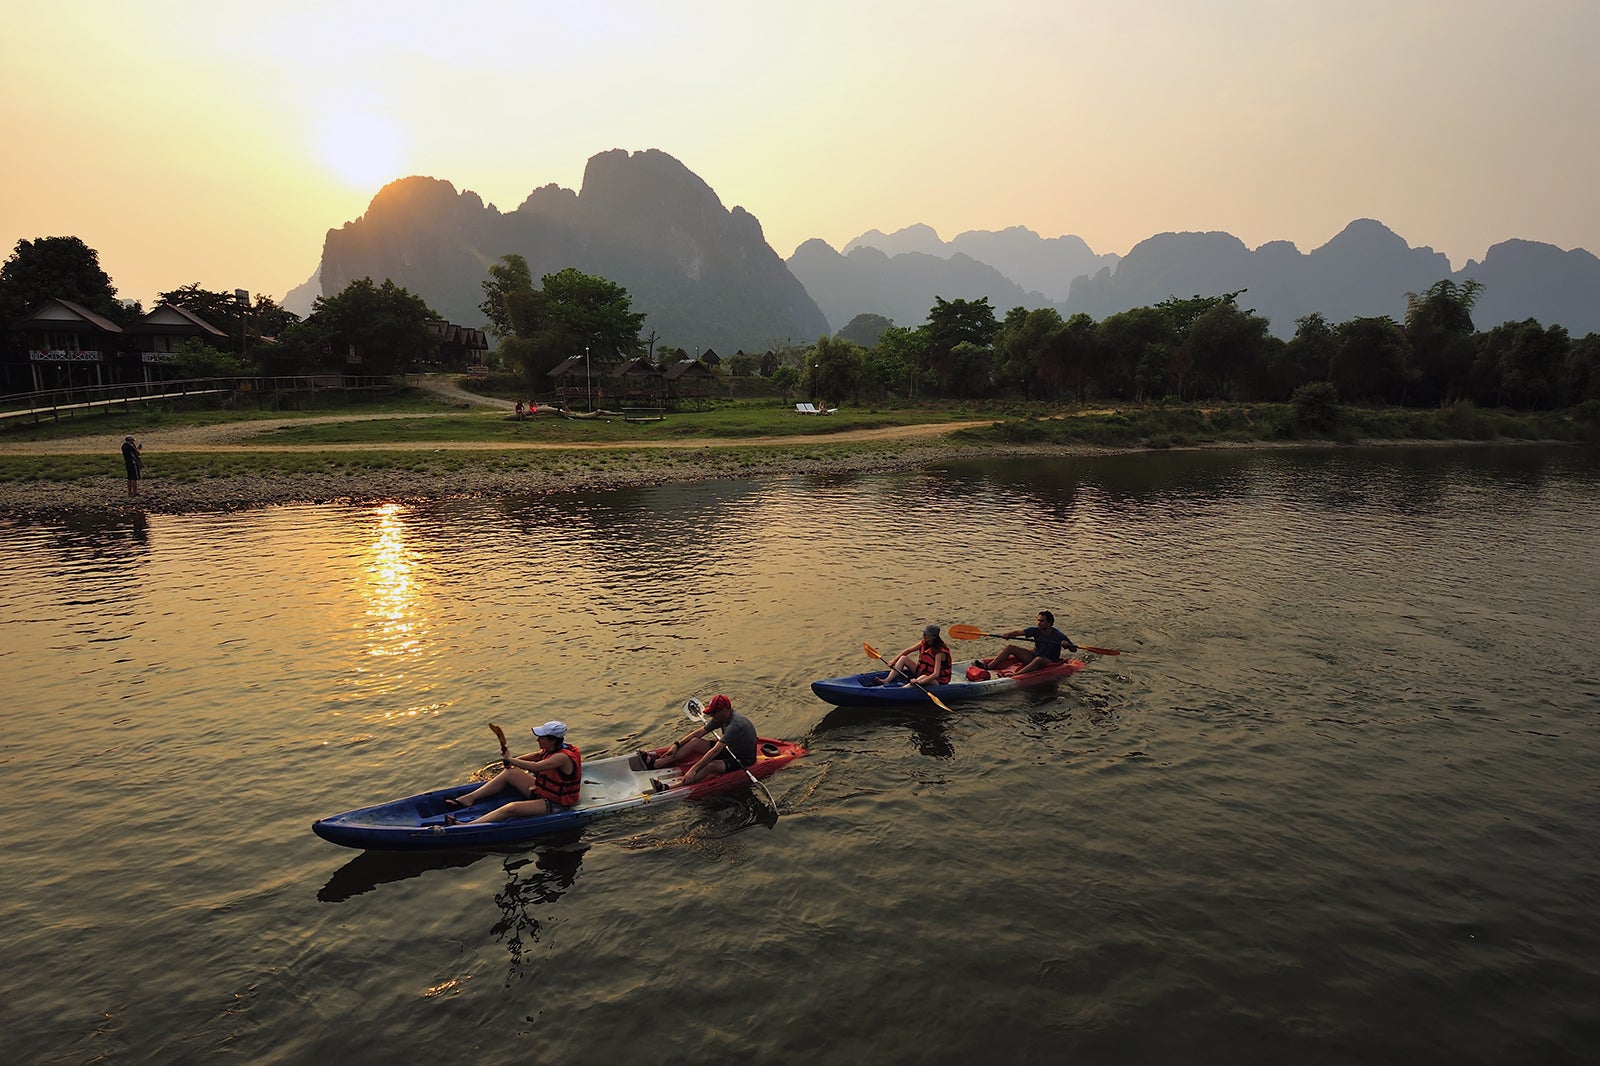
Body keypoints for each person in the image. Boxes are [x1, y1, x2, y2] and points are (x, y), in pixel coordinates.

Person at [445, 720, 582, 824]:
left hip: (556, 803)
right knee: (510, 773)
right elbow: (535, 756)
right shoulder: (552, 749)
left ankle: (466, 825)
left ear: (552, 741)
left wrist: (510, 759)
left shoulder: (561, 757)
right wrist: (511, 760)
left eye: (542, 738)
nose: (537, 740)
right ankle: (468, 799)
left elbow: (537, 767)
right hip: (542, 791)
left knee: (511, 808)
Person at [638, 693, 757, 786]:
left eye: (714, 713)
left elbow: (715, 751)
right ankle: (656, 764)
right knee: (695, 742)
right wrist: (676, 744)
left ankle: (673, 786)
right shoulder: (720, 717)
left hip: (742, 759)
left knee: (711, 765)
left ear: (724, 710)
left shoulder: (736, 725)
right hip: (729, 750)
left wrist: (693, 770)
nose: (712, 716)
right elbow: (700, 732)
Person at [979, 610, 1078, 675]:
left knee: (1039, 659)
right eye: (1038, 620)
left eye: (1042, 621)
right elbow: (1019, 632)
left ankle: (1016, 675)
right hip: (1035, 656)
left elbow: (1074, 650)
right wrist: (1008, 634)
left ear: (1049, 623)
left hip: (1049, 662)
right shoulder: (1035, 630)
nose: (1039, 623)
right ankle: (988, 667)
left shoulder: (1059, 635)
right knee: (1010, 647)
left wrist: (1067, 645)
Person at [879, 624, 953, 687]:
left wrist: (919, 682)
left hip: (937, 681)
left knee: (923, 677)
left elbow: (936, 674)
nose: (923, 635)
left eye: (926, 634)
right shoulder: (924, 643)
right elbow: (908, 651)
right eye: (924, 633)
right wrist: (894, 661)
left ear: (933, 637)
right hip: (922, 673)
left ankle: (903, 690)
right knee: (903, 658)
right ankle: (887, 680)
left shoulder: (939, 652)